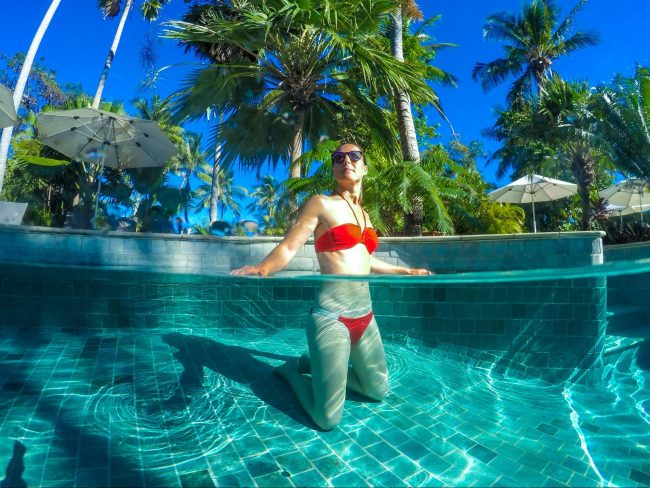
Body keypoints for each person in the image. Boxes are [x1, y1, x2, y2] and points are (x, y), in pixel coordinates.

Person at [231, 142, 431, 430]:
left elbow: (367, 261)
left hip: (365, 317)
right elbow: (289, 246)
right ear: (334, 167)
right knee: (326, 419)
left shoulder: (365, 215)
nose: (345, 160)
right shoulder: (321, 204)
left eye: (354, 156)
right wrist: (264, 268)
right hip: (331, 319)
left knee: (377, 390)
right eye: (338, 157)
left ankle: (314, 364)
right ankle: (291, 372)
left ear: (365, 167)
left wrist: (407, 270)